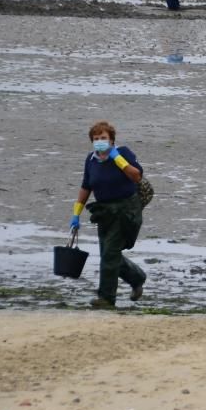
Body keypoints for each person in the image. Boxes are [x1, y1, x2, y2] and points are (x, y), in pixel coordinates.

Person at [70, 121, 147, 310]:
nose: (99, 142)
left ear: (111, 139)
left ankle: (106, 298)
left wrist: (117, 159)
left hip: (126, 210)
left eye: (103, 138)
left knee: (110, 253)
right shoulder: (91, 160)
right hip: (104, 212)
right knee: (108, 254)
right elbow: (86, 186)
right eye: (96, 139)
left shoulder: (123, 153)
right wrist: (76, 214)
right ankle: (137, 277)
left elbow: (136, 176)